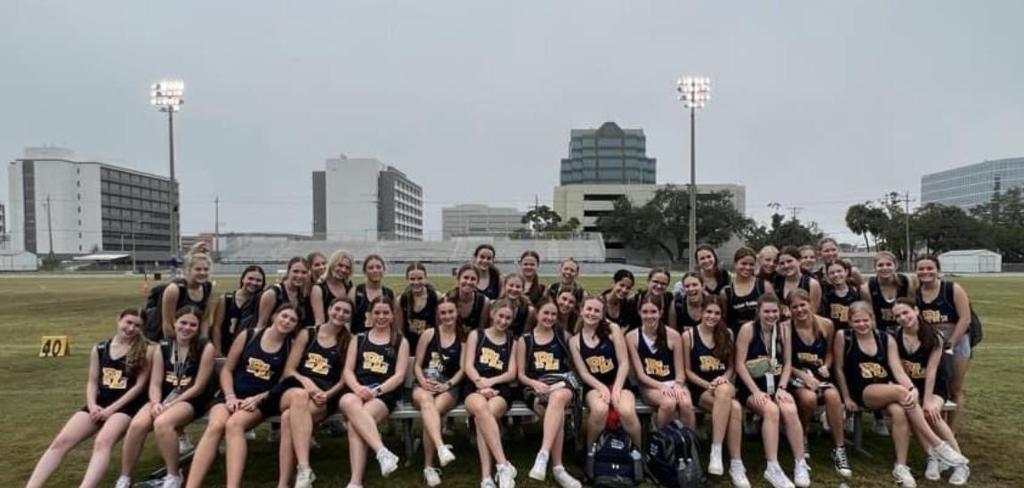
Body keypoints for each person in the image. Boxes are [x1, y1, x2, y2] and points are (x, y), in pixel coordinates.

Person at [833, 302, 968, 487]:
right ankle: (938, 445)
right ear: (849, 322)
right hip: (863, 390)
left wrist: (912, 389)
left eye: (865, 320)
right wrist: (846, 397)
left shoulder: (885, 338)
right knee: (902, 393)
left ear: (872, 319)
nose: (862, 324)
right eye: (856, 321)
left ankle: (901, 466)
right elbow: (839, 369)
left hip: (888, 389)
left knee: (900, 410)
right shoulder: (844, 337)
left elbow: (897, 370)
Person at [27, 309, 150, 488]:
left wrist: (111, 410)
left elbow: (139, 386)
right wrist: (92, 405)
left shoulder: (146, 350)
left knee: (102, 442)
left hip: (125, 407)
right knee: (61, 441)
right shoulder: (100, 348)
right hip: (99, 404)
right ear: (119, 320)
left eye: (137, 325)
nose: (131, 328)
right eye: (128, 322)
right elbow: (92, 381)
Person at [185, 304, 298, 488]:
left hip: (260, 400)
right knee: (216, 425)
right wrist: (230, 396)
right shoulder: (249, 335)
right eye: (284, 316)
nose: (286, 322)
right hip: (231, 394)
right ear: (274, 316)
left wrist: (258, 398)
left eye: (292, 320)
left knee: (234, 425)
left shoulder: (290, 346)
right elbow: (226, 370)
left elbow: (283, 382)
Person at [115, 307, 216, 488]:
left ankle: (173, 476)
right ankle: (125, 477)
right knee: (137, 425)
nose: (187, 328)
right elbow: (155, 383)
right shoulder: (163, 346)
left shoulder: (205, 347)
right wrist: (155, 403)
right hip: (164, 397)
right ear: (174, 323)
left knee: (163, 422)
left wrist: (171, 404)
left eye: (192, 325)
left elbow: (199, 386)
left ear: (198, 327)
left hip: (191, 398)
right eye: (183, 322)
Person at [275, 297, 353, 488]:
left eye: (346, 312)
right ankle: (304, 468)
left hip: (324, 395)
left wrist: (328, 394)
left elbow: (345, 379)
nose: (340, 314)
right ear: (329, 309)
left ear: (350, 316)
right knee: (297, 401)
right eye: (337, 309)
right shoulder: (308, 333)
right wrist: (306, 382)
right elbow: (289, 370)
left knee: (287, 419)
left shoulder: (349, 341)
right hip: (297, 389)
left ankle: (284, 483)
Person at [892, 298, 969, 485]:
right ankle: (933, 457)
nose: (903, 318)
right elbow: (900, 370)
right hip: (912, 385)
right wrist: (911, 391)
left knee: (931, 412)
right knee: (912, 409)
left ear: (916, 310)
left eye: (906, 312)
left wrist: (927, 400)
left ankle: (960, 463)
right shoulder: (896, 336)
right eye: (898, 316)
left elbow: (932, 371)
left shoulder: (934, 336)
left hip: (934, 386)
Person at [734, 293, 808, 488]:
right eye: (766, 311)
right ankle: (772, 466)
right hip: (752, 387)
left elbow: (788, 363)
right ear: (758, 311)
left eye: (774, 311)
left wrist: (783, 387)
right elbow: (739, 364)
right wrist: (755, 391)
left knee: (790, 409)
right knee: (771, 410)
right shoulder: (748, 329)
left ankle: (800, 462)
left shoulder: (783, 330)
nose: (771, 315)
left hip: (777, 384)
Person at [339, 296, 409, 487]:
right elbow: (348, 370)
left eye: (386, 312)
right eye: (377, 312)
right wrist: (357, 388)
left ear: (392, 315)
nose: (381, 316)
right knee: (347, 401)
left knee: (355, 423)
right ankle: (381, 451)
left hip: (384, 393)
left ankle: (355, 482)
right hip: (357, 390)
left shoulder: (399, 341)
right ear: (370, 315)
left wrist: (377, 391)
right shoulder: (359, 339)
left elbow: (399, 376)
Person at [681, 297, 750, 488]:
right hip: (701, 389)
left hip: (723, 386)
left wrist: (723, 379)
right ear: (701, 312)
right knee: (735, 407)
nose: (712, 316)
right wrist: (708, 385)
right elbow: (687, 370)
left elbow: (731, 367)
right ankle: (733, 461)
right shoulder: (689, 336)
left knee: (727, 394)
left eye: (717, 313)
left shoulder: (727, 333)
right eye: (709, 312)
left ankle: (721, 453)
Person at [517, 298, 582, 488]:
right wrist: (534, 384)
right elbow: (521, 374)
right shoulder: (525, 340)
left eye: (554, 314)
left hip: (562, 384)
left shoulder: (563, 336)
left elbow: (576, 368)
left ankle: (543, 454)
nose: (550, 317)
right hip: (536, 387)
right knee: (555, 412)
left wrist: (561, 384)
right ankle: (558, 468)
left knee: (558, 397)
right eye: (546, 313)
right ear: (537, 314)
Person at [784, 289, 850, 478]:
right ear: (789, 309)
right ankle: (802, 435)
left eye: (803, 305)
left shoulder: (826, 324)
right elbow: (784, 362)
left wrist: (826, 366)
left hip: (818, 373)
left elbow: (829, 352)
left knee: (833, 395)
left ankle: (839, 448)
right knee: (809, 398)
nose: (799, 310)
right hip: (796, 374)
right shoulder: (785, 327)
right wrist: (804, 377)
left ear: (810, 304)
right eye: (794, 307)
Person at [569, 297, 643, 448]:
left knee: (626, 411)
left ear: (602, 314)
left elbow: (623, 363)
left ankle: (637, 451)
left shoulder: (612, 330)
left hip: (619, 383)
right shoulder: (574, 341)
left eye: (597, 310)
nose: (592, 313)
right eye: (589, 309)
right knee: (599, 410)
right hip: (594, 386)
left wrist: (616, 389)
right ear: (581, 311)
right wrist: (602, 388)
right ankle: (590, 451)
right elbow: (584, 373)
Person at [463, 299, 520, 488]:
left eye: (508, 318)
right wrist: (481, 383)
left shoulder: (513, 341)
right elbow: (468, 365)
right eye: (500, 316)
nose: (503, 321)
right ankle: (503, 465)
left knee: (483, 416)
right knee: (481, 409)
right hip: (475, 385)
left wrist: (492, 383)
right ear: (492, 314)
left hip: (500, 388)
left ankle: (486, 477)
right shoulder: (476, 335)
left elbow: (511, 373)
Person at [913, 255, 972, 435]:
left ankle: (951, 433)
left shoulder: (952, 289)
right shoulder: (915, 293)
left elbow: (965, 319)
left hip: (956, 340)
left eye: (930, 268)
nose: (925, 272)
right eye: (921, 269)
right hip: (929, 343)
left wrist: (951, 343)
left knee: (955, 388)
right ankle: (936, 428)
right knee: (934, 386)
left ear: (938, 270)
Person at [413, 297, 465, 487]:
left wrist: (447, 385)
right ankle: (440, 448)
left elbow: (462, 369)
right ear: (438, 315)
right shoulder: (429, 334)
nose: (447, 316)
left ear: (457, 313)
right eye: (443, 312)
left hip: (448, 387)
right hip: (424, 384)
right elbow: (417, 365)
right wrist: (423, 382)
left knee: (432, 411)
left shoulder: (463, 338)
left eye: (451, 312)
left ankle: (429, 466)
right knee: (428, 403)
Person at [626, 295, 695, 429]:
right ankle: (660, 437)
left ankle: (688, 438)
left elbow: (680, 371)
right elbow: (641, 375)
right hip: (650, 385)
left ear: (661, 313)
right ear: (639, 312)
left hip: (673, 382)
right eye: (645, 312)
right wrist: (662, 386)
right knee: (668, 403)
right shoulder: (632, 337)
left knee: (686, 403)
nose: (649, 316)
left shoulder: (673, 335)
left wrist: (678, 385)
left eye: (653, 312)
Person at [211, 265, 266, 356]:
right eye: (250, 278)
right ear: (243, 279)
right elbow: (217, 327)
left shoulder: (262, 301)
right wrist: (217, 351)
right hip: (226, 347)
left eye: (258, 280)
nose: (254, 283)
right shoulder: (226, 299)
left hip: (248, 350)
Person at [160, 253, 215, 339]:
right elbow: (167, 324)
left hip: (193, 336)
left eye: (206, 269)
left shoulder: (207, 288)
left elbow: (205, 318)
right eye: (198, 269)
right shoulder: (174, 289)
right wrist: (175, 345)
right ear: (188, 270)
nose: (202, 273)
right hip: (173, 337)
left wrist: (203, 341)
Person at [721, 247, 774, 335]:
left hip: (761, 335)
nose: (747, 267)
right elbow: (723, 319)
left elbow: (775, 310)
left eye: (751, 264)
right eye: (744, 263)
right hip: (736, 336)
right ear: (735, 264)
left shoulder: (764, 286)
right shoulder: (727, 292)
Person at [861, 251, 917, 334]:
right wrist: (877, 336)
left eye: (888, 264)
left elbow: (912, 309)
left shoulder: (906, 282)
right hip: (881, 329)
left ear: (896, 266)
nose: (885, 268)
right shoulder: (867, 288)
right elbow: (871, 315)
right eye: (880, 265)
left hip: (905, 327)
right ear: (874, 268)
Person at [257, 257, 313, 329]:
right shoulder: (272, 294)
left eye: (304, 272)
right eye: (295, 271)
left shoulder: (302, 295)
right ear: (288, 272)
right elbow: (261, 324)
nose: (299, 276)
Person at [395, 262, 440, 351]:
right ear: (407, 279)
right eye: (412, 279)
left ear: (425, 278)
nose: (416, 282)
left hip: (430, 347)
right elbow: (399, 329)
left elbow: (439, 327)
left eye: (420, 278)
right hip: (409, 347)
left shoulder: (435, 297)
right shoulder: (401, 300)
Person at [351, 254, 396, 335]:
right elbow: (347, 320)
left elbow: (395, 322)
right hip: (359, 338)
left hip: (383, 339)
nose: (375, 270)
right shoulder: (355, 291)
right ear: (365, 271)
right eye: (371, 268)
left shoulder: (390, 293)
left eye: (378, 267)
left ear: (384, 269)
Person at [773, 246, 822, 317]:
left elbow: (813, 313)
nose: (786, 266)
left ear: (799, 261)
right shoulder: (777, 283)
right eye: (782, 263)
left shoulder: (812, 284)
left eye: (789, 261)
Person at [311, 250, 355, 326]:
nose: (343, 270)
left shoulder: (349, 286)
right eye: (340, 265)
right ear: (332, 265)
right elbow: (319, 321)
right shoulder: (319, 289)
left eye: (347, 268)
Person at [448, 263, 491, 332]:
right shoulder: (447, 299)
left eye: (473, 279)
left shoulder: (484, 302)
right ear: (458, 279)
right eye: (465, 278)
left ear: (477, 282)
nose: (469, 282)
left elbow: (481, 330)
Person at [821, 260, 861, 331]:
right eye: (832, 273)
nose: (836, 275)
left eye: (839, 271)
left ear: (846, 272)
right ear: (828, 276)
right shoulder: (825, 296)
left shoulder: (857, 292)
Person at [500, 273, 535, 338]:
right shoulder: (495, 305)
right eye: (511, 285)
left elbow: (525, 334)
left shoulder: (529, 310)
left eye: (518, 287)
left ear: (523, 289)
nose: (514, 289)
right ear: (504, 286)